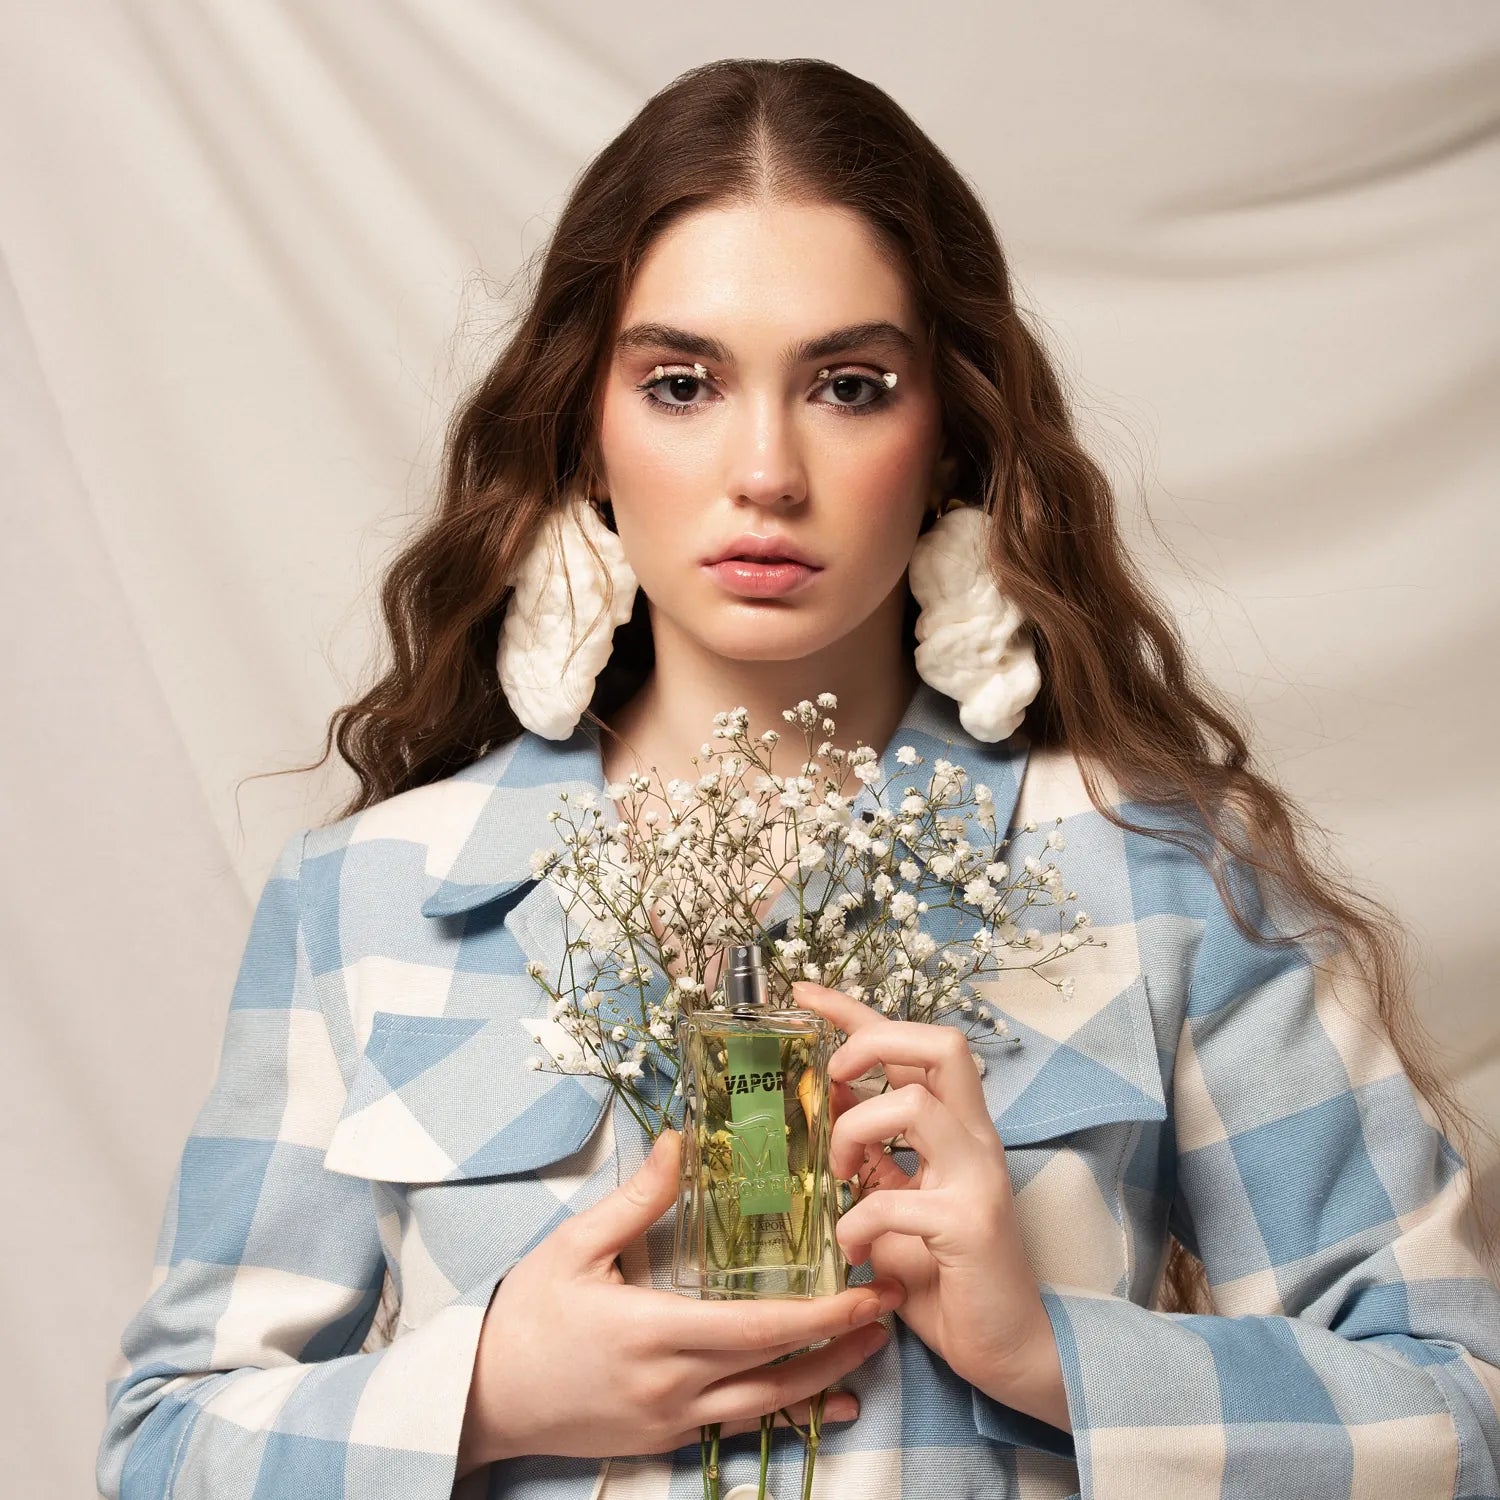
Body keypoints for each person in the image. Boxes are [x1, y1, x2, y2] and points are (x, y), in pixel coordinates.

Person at [98, 56, 1500, 1500]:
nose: (765, 470)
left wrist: (1050, 1357)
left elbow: (1461, 1418)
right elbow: (163, 1445)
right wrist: (488, 1397)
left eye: (848, 387)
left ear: (947, 435)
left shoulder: (1159, 874)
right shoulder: (372, 898)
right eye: (682, 385)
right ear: (587, 431)